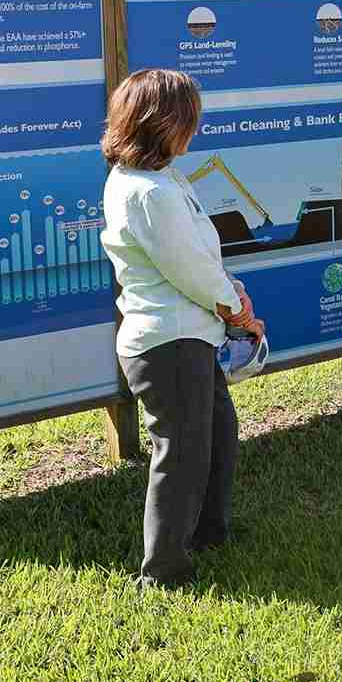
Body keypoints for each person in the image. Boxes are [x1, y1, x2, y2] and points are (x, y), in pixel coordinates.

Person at [99, 68, 266, 591]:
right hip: (168, 344)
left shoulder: (158, 179)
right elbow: (187, 269)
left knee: (214, 434)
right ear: (164, 123)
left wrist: (230, 291)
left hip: (188, 336)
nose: (195, 129)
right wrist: (234, 309)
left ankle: (208, 533)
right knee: (181, 453)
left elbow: (197, 257)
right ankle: (163, 571)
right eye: (189, 119)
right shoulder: (150, 191)